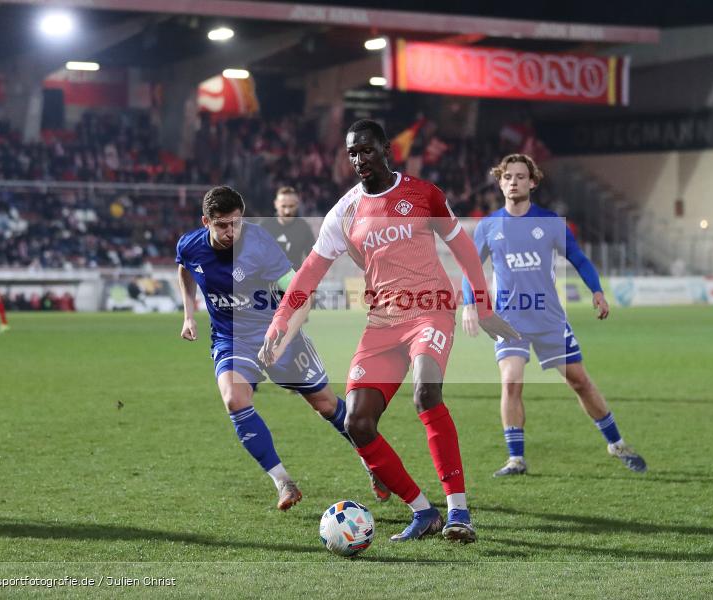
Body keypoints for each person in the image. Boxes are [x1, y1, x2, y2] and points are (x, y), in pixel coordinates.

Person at [261, 119, 517, 543]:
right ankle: (423, 512)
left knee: (426, 393)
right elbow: (308, 273)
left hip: (430, 312)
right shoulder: (343, 212)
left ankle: (459, 513)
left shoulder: (423, 193)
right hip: (381, 323)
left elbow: (464, 249)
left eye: (366, 150)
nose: (360, 159)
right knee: (359, 424)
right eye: (352, 153)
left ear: (386, 150)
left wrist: (482, 305)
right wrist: (279, 321)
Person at [176, 185, 386, 511]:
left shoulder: (259, 244)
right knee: (234, 398)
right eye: (222, 225)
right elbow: (185, 269)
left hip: (277, 332)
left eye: (236, 223)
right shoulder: (189, 246)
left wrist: (281, 340)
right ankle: (282, 481)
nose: (231, 232)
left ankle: (373, 462)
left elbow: (302, 296)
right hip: (232, 340)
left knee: (327, 405)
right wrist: (189, 315)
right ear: (206, 222)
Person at [460, 154, 646, 476]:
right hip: (510, 318)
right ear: (500, 182)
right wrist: (469, 304)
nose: (513, 182)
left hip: (548, 318)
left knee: (580, 382)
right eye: (507, 177)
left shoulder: (549, 223)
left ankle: (615, 443)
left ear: (532, 182)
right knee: (511, 381)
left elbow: (578, 258)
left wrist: (597, 291)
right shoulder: (488, 227)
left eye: (520, 176)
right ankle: (516, 458)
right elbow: (470, 270)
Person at [260, 186, 316, 271]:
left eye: (291, 206)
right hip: (267, 281)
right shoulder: (264, 227)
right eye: (283, 206)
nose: (287, 211)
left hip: (294, 280)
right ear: (276, 204)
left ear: (297, 205)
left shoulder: (303, 228)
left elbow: (313, 259)